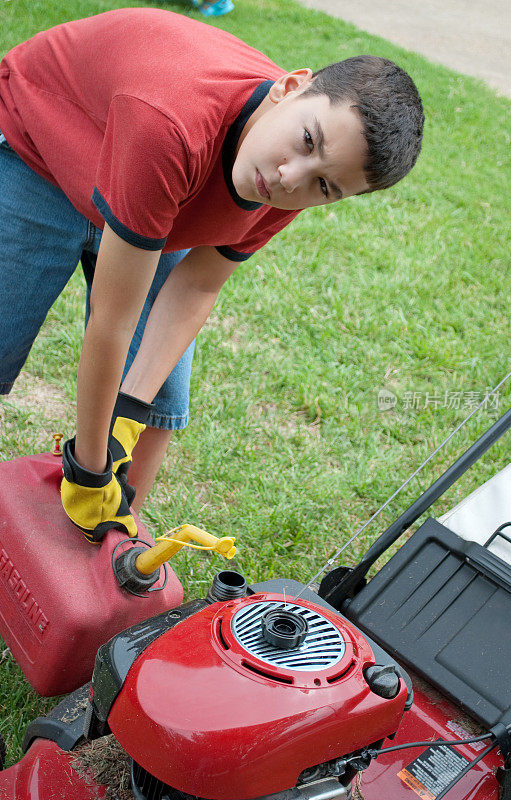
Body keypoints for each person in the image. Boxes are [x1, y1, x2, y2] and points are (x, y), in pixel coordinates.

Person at [0, 8, 424, 543]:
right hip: (42, 143)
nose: (290, 178)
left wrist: (127, 412)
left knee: (160, 400)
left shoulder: (290, 179)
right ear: (291, 87)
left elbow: (199, 283)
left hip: (154, 187)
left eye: (325, 187)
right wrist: (89, 463)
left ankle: (108, 544)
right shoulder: (172, 126)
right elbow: (114, 320)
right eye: (307, 141)